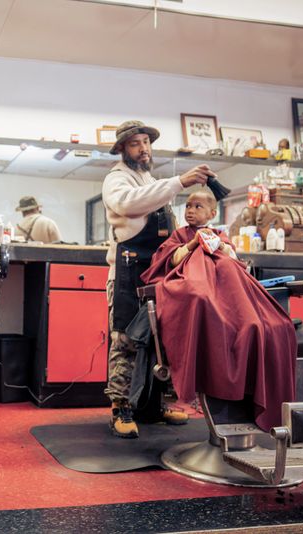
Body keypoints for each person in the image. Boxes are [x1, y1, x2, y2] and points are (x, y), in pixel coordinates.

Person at [140, 189, 297, 432]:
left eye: (198, 207)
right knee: (198, 294)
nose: (191, 211)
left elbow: (234, 263)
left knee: (273, 325)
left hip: (227, 292)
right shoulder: (179, 235)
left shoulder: (221, 236)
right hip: (198, 287)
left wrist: (219, 246)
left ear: (213, 213)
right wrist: (193, 244)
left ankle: (245, 325)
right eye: (188, 206)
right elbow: (171, 262)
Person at [102, 120, 215, 439]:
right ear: (123, 148)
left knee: (156, 340)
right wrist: (179, 181)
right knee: (125, 339)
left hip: (158, 270)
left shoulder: (148, 178)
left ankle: (150, 406)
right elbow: (129, 203)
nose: (144, 148)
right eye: (136, 143)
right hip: (127, 272)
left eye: (146, 142)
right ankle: (120, 408)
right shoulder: (117, 179)